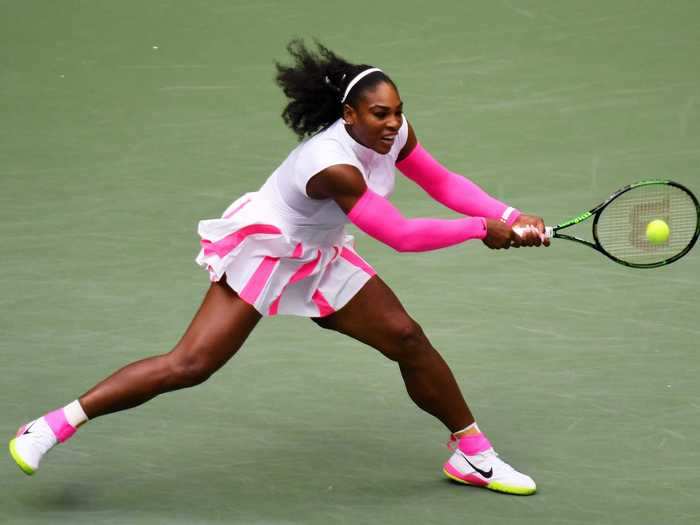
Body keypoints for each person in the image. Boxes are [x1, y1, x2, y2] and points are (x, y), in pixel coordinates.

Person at [9, 40, 548, 496]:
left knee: (406, 337)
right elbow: (400, 236)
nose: (394, 123)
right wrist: (481, 231)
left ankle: (471, 453)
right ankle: (53, 425)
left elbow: (442, 181)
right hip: (269, 252)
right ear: (349, 116)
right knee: (190, 364)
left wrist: (506, 214)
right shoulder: (332, 165)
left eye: (398, 111)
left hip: (321, 253)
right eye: (380, 114)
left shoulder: (394, 135)